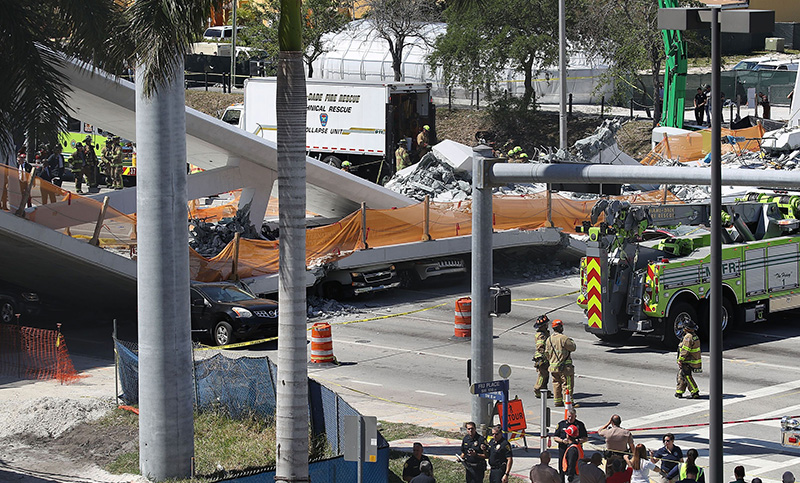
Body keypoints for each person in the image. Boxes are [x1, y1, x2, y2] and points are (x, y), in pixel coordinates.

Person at [545, 318, 576, 407]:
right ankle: (568, 402)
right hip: (565, 368)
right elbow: (573, 347)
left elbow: (547, 354)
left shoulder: (549, 339)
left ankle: (557, 401)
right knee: (567, 385)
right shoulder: (564, 338)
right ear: (560, 327)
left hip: (553, 367)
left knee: (556, 384)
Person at [554, 409, 588, 483]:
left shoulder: (580, 425)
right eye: (569, 416)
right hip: (563, 451)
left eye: (572, 417)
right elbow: (555, 437)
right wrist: (563, 441)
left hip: (574, 451)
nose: (570, 418)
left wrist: (578, 441)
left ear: (575, 416)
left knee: (573, 468)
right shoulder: (561, 424)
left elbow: (585, 438)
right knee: (562, 469)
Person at [675, 320, 702, 399]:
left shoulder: (688, 337)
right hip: (692, 360)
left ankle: (694, 391)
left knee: (687, 376)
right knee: (681, 375)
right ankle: (679, 392)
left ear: (686, 328)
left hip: (688, 361)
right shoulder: (694, 336)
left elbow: (685, 350)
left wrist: (680, 359)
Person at [533, 314, 551, 398]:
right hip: (542, 358)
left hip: (544, 357)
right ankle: (538, 389)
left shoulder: (544, 333)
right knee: (542, 375)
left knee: (545, 375)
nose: (547, 325)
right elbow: (541, 347)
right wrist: (542, 358)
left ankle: (543, 390)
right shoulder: (541, 336)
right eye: (546, 324)